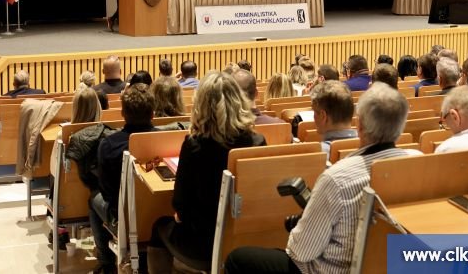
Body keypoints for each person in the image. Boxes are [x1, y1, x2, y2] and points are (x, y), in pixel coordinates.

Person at [224, 83, 416, 274]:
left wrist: (298, 227)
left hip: (328, 270)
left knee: (237, 259)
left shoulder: (337, 177)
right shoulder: (415, 163)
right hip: (388, 266)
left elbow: (301, 252)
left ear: (360, 125)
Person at [148, 71, 266, 271]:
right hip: (246, 240)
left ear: (201, 105)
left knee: (159, 226)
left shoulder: (194, 146)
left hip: (203, 246)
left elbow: (180, 204)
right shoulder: (258, 141)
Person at [90, 83, 157, 274]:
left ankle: (106, 263)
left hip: (125, 218)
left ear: (122, 113)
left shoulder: (108, 145)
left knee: (93, 198)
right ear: (153, 114)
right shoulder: (167, 139)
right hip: (160, 216)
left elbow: (106, 191)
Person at [310, 81, 357, 160]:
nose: (313, 117)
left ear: (323, 116)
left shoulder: (317, 156)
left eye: (314, 112)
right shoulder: (370, 147)